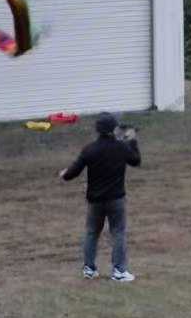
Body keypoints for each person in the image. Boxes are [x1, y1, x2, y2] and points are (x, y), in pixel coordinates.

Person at [60, 113, 141, 282]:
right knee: (118, 233)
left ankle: (89, 269)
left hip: (95, 200)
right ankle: (119, 271)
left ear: (98, 130)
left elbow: (72, 173)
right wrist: (132, 140)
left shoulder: (90, 149)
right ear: (114, 129)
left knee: (91, 233)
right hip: (116, 199)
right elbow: (135, 161)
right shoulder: (121, 147)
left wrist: (64, 174)